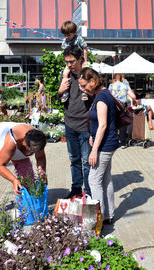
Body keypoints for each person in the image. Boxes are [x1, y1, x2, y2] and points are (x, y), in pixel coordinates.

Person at [79, 67, 119, 224]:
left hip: (104, 145)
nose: (83, 89)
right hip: (107, 142)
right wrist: (92, 135)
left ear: (93, 81)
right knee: (106, 179)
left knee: (94, 179)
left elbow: (103, 125)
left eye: (84, 85)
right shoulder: (104, 93)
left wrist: (94, 150)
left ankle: (98, 220)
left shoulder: (101, 98)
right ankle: (108, 214)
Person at [0, 122, 47, 208]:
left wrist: (42, 172)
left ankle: (29, 206)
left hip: (17, 151)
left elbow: (40, 157)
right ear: (25, 144)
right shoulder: (12, 141)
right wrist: (13, 180)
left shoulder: (38, 139)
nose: (34, 153)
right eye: (33, 150)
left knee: (28, 179)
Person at [58, 46, 92, 198]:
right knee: (74, 160)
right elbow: (61, 100)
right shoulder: (65, 77)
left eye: (72, 61)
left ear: (80, 59)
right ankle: (76, 189)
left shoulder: (89, 75)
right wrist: (60, 91)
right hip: (70, 124)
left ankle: (89, 191)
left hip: (85, 125)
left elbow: (96, 97)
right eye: (66, 62)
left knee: (86, 161)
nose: (69, 65)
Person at [60, 21, 88, 103]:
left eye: (68, 35)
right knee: (65, 73)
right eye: (65, 35)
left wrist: (85, 61)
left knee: (84, 73)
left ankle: (84, 91)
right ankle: (66, 92)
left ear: (74, 32)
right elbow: (65, 53)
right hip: (70, 59)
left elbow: (85, 48)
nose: (67, 37)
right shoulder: (65, 41)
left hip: (80, 59)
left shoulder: (78, 38)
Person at [108, 73, 136, 149]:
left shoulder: (111, 86)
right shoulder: (125, 85)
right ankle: (123, 143)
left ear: (114, 79)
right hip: (122, 106)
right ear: (121, 79)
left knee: (113, 123)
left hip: (113, 105)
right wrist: (134, 100)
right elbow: (133, 96)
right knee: (122, 124)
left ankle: (114, 141)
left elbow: (108, 95)